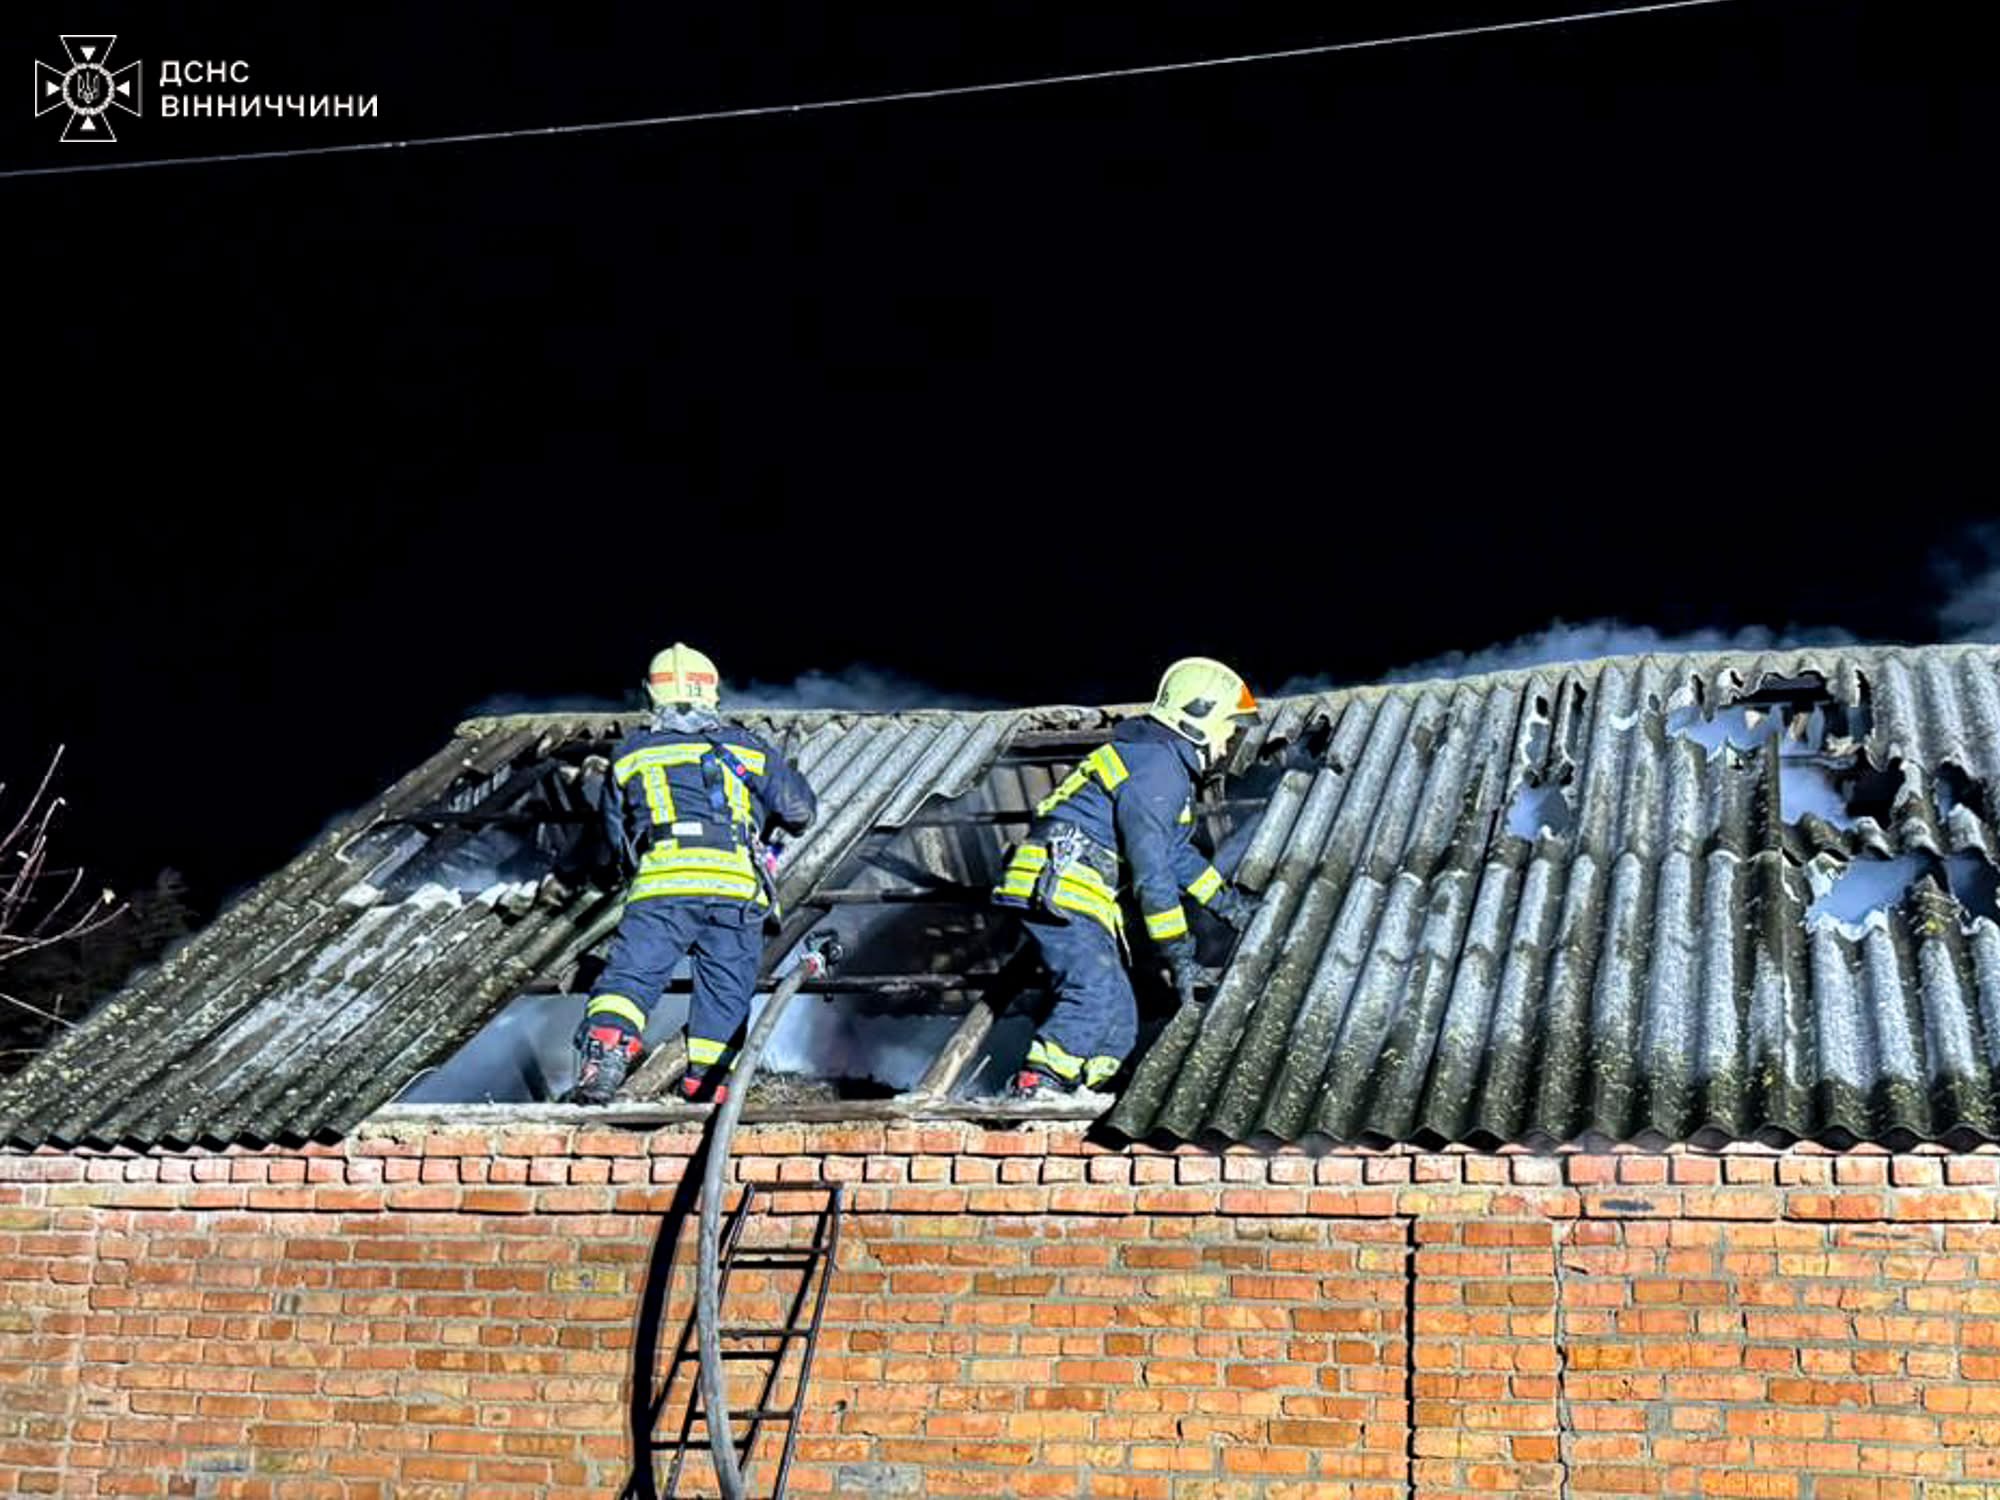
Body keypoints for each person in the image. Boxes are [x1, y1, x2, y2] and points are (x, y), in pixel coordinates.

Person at [993, 657, 1260, 1096]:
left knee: (1119, 1018)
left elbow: (1175, 853)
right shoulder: (1158, 768)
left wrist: (1229, 905)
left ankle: (1088, 1094)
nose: (1231, 739)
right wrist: (1179, 956)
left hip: (1077, 892)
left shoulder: (1158, 763)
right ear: (1200, 718)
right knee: (1093, 992)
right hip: (1061, 888)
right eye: (1229, 726)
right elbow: (1152, 874)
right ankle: (1036, 1086)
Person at [570, 643, 816, 1105]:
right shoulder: (748, 748)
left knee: (632, 977)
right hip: (735, 892)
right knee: (726, 991)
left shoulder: (630, 755)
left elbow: (615, 839)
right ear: (713, 695)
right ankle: (709, 1089)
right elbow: (800, 813)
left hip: (663, 887)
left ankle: (603, 1062)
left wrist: (631, 872)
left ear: (651, 696)